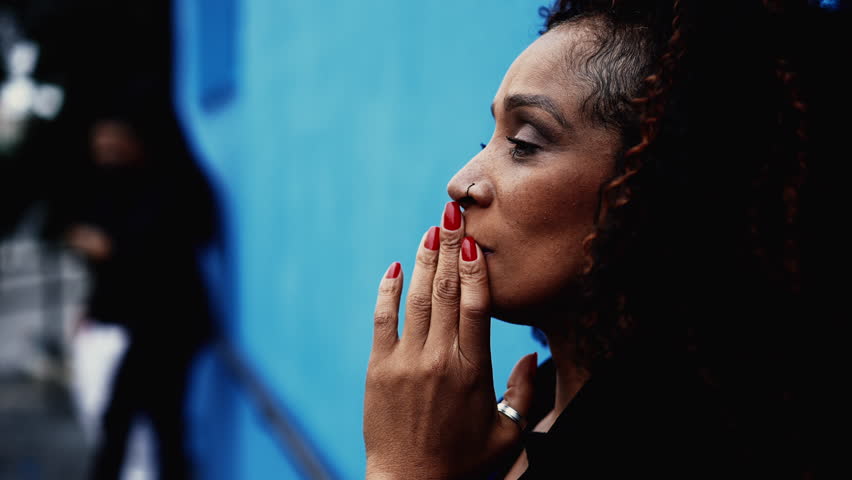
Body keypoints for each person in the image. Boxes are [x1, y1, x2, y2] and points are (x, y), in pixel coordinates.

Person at [363, 1, 839, 478]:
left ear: (651, 181)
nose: (461, 183)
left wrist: (402, 466)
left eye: (523, 144)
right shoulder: (513, 419)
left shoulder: (694, 448)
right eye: (487, 143)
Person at [67, 88, 217, 480]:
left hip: (169, 324)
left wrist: (109, 247)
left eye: (116, 138)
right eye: (101, 139)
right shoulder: (123, 184)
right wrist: (93, 305)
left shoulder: (172, 184)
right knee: (153, 425)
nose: (106, 148)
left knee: (134, 423)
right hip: (145, 326)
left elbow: (162, 253)